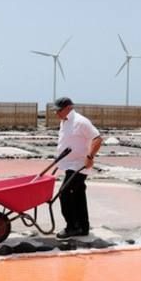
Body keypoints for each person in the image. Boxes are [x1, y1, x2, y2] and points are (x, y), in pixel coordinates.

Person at [53, 97, 102, 238]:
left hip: (79, 165)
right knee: (78, 195)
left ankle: (72, 227)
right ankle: (83, 227)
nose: (56, 113)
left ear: (68, 108)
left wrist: (90, 156)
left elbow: (97, 138)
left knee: (65, 194)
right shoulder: (64, 122)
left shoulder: (81, 122)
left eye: (59, 110)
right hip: (69, 164)